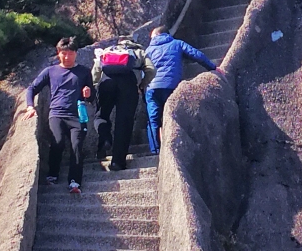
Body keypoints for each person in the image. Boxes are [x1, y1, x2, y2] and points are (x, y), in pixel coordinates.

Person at [25, 40, 93, 193]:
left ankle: (75, 182)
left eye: (70, 53)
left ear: (76, 53)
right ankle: (53, 174)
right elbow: (32, 88)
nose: (67, 57)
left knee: (77, 146)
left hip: (77, 115)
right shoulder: (50, 71)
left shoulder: (84, 71)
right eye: (64, 53)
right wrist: (30, 106)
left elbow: (91, 96)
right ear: (58, 53)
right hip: (57, 114)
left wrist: (88, 94)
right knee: (58, 142)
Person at [142, 25, 217, 153]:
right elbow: (196, 54)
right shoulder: (177, 43)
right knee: (172, 115)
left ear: (156, 36)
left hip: (152, 88)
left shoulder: (148, 50)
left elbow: (143, 70)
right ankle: (175, 148)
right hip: (170, 86)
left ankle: (155, 151)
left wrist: (143, 87)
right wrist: (213, 68)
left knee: (153, 120)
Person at [91, 41, 145, 173]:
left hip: (107, 81)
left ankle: (105, 138)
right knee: (124, 123)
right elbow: (151, 69)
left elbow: (96, 70)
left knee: (101, 115)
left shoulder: (108, 50)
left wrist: (96, 85)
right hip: (128, 83)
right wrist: (142, 84)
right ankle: (117, 162)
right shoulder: (138, 51)